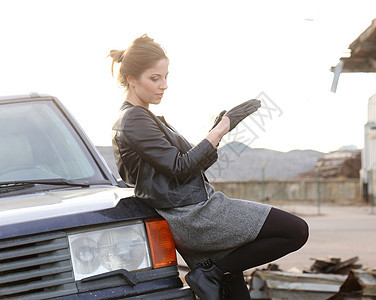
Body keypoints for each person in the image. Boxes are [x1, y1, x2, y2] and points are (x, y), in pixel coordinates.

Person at [110, 34, 309, 300]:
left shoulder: (141, 117)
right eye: (155, 78)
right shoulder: (134, 119)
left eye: (166, 76)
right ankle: (211, 273)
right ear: (132, 79)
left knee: (234, 294)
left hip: (193, 208)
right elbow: (180, 167)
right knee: (295, 231)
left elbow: (187, 166)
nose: (164, 85)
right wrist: (221, 128)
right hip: (194, 214)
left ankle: (216, 272)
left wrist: (217, 134)